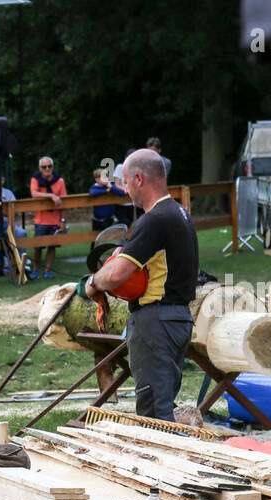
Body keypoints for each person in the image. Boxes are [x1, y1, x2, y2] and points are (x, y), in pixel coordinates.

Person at [79, 148, 197, 422]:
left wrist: (93, 282)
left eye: (126, 181)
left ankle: (163, 462)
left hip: (156, 322)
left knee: (153, 414)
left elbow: (118, 273)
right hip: (177, 318)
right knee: (161, 405)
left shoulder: (154, 220)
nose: (125, 188)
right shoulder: (180, 212)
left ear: (139, 178)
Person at [30, 156, 66, 279]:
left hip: (55, 219)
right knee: (38, 247)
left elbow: (64, 202)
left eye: (49, 166)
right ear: (40, 168)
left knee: (52, 246)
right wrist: (51, 195)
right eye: (44, 167)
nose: (47, 169)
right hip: (41, 219)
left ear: (52, 167)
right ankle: (35, 270)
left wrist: (63, 221)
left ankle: (47, 271)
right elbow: (34, 194)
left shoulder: (59, 180)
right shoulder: (35, 178)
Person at [89, 168, 127, 233]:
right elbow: (92, 193)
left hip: (109, 218)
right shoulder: (94, 187)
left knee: (107, 237)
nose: (106, 179)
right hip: (97, 219)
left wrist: (111, 187)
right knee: (95, 238)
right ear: (97, 180)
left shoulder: (110, 186)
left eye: (107, 177)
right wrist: (106, 191)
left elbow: (121, 193)